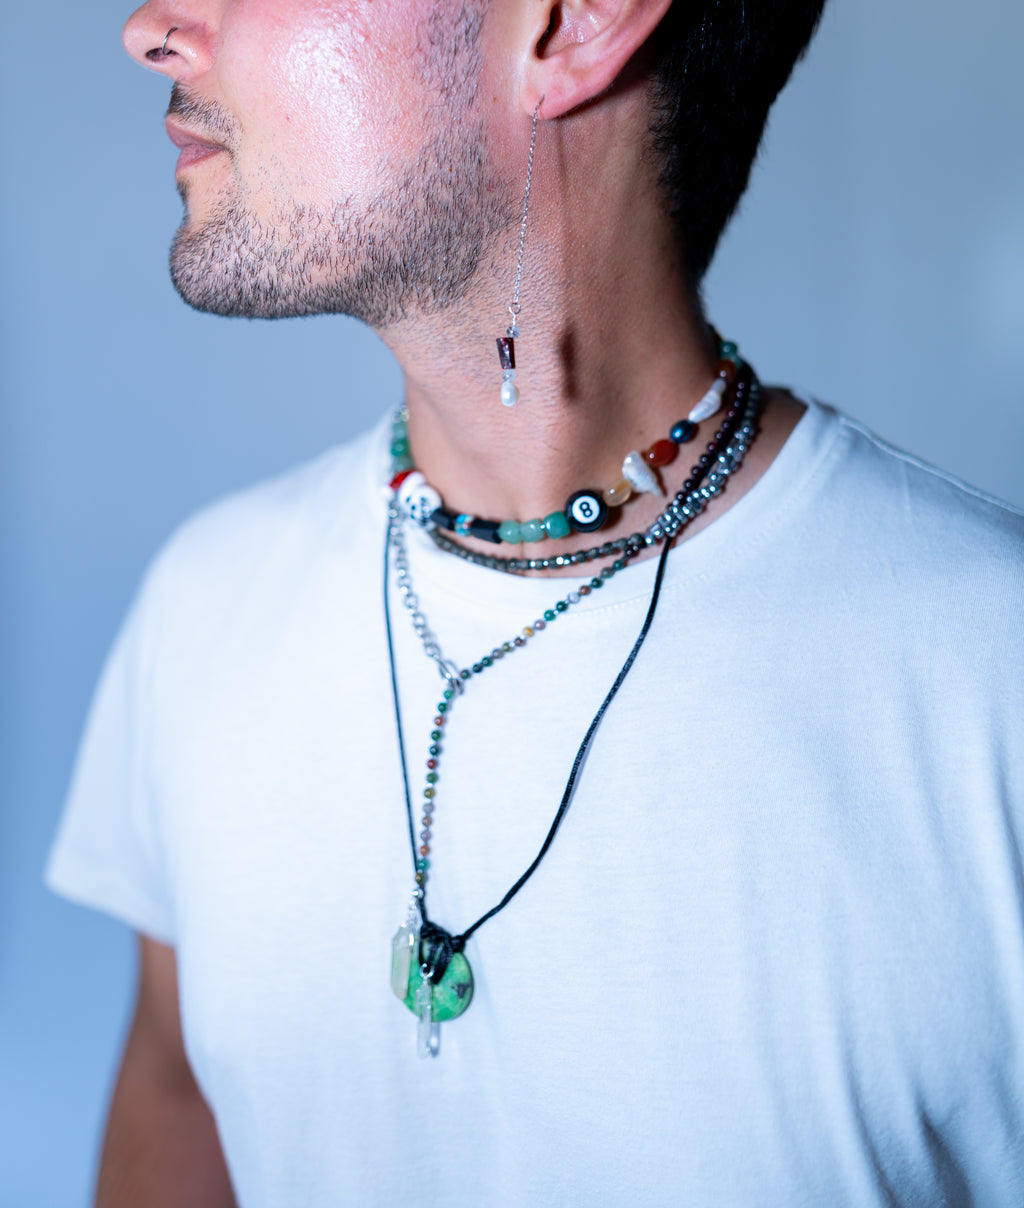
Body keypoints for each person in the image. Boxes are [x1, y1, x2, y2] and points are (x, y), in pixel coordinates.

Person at [47, 0, 1024, 1203]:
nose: (151, 27)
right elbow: (179, 1096)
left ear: (574, 25)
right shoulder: (204, 608)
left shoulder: (990, 679)